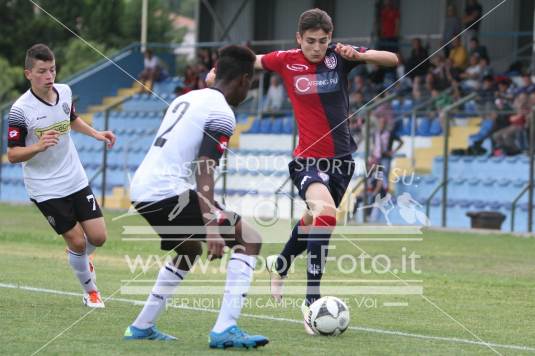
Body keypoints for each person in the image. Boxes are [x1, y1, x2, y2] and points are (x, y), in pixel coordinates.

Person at [228, 8, 397, 334]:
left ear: (330, 39)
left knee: (310, 221)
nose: (317, 47)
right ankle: (311, 301)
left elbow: (391, 58)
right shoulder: (285, 59)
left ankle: (280, 266)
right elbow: (251, 60)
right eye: (310, 41)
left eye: (322, 41)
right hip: (307, 160)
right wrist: (217, 74)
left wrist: (360, 54)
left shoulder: (340, 57)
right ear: (298, 39)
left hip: (342, 162)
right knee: (326, 214)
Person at [124, 45, 269, 349]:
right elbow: (205, 166)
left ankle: (142, 326)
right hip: (166, 191)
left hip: (142, 188)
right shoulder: (223, 113)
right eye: (251, 83)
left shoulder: (186, 97)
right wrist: (212, 222)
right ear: (244, 80)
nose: (249, 89)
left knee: (189, 249)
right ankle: (225, 329)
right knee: (249, 239)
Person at [7, 44, 116, 308]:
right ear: (28, 74)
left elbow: (71, 118)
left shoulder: (65, 91)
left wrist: (97, 134)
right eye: (42, 71)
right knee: (78, 240)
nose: (49, 76)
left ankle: (79, 257)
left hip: (74, 177)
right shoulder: (20, 110)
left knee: (98, 238)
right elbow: (13, 154)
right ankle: (91, 291)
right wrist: (38, 146)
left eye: (52, 69)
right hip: (45, 187)